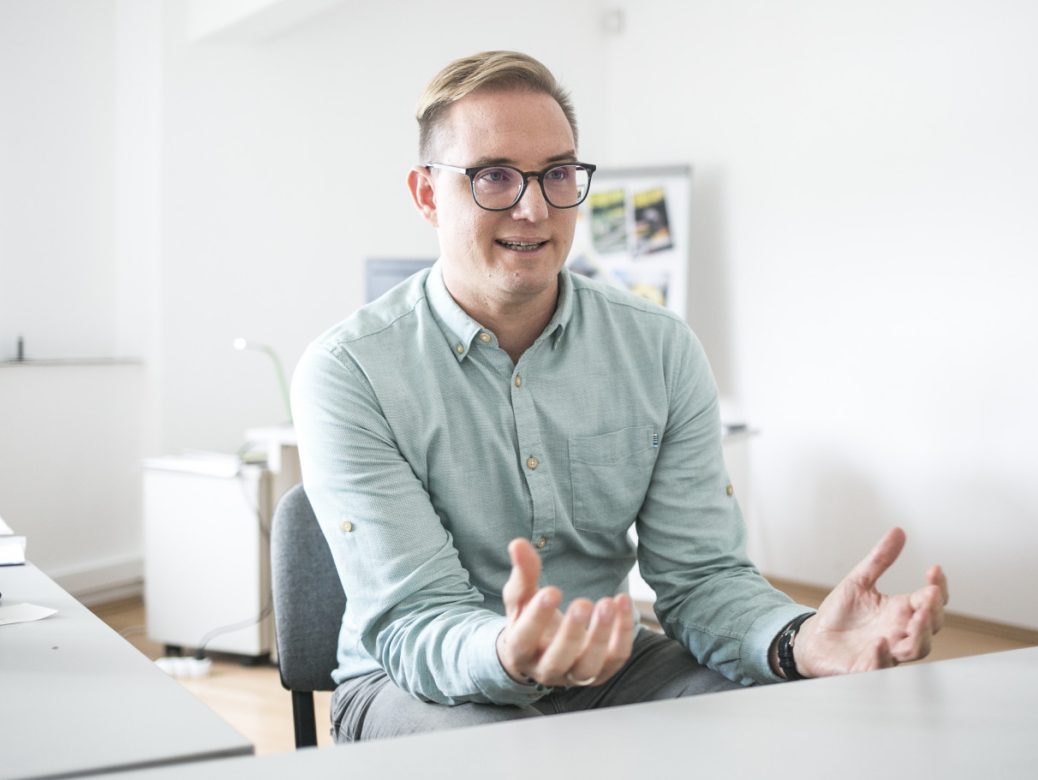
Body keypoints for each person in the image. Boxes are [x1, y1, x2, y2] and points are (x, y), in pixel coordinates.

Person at [291, 50, 948, 742]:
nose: (534, 208)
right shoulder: (349, 371)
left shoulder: (659, 349)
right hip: (413, 684)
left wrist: (799, 641)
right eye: (494, 176)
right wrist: (509, 653)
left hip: (612, 666)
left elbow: (702, 577)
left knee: (760, 731)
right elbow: (416, 617)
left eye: (557, 174)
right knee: (507, 757)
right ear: (427, 195)